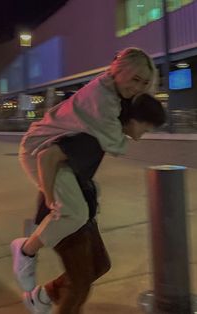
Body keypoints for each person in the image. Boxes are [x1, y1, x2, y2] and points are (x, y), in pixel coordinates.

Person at [11, 47, 158, 311]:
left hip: (76, 193)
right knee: (79, 282)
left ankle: (40, 296)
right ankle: (25, 251)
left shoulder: (104, 113)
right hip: (41, 159)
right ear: (117, 71)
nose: (138, 88)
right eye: (135, 79)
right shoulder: (94, 128)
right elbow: (46, 158)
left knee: (100, 265)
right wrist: (50, 199)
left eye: (145, 84)